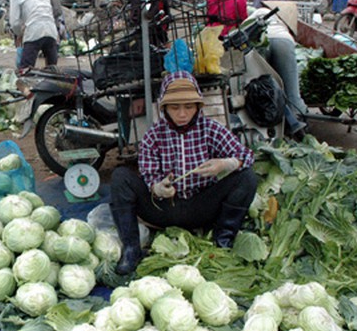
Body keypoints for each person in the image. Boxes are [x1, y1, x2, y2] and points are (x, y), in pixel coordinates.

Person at [109, 71, 257, 274]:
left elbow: (246, 155)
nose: (182, 114)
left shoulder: (210, 129)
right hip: (163, 209)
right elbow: (148, 173)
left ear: (198, 107)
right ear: (164, 108)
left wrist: (225, 164)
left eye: (188, 107)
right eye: (174, 107)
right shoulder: (154, 134)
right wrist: (157, 188)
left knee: (246, 177)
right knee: (119, 178)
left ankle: (223, 241)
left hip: (202, 207)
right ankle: (132, 250)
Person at [255, 1, 309, 137]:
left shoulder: (256, 13)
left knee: (265, 86)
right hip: (283, 41)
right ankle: (298, 125)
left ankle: (268, 126)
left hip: (259, 42)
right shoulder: (281, 21)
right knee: (291, 91)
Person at [8, 0, 58, 70]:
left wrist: (19, 34)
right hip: (51, 30)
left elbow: (15, 22)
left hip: (34, 31)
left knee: (26, 69)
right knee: (52, 68)